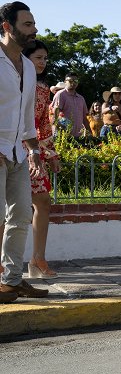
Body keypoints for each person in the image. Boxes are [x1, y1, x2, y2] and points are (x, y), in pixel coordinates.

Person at [0, 1, 49, 301]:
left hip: (18, 153)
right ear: (7, 27)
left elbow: (27, 116)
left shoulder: (28, 67)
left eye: (33, 24)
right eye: (27, 24)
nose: (34, 30)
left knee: (19, 219)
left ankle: (12, 280)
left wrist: (34, 153)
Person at [0, 39, 60, 278]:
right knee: (6, 211)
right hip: (7, 147)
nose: (43, 63)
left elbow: (43, 124)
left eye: (45, 59)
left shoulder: (43, 89)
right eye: (38, 58)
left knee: (42, 202)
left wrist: (49, 153)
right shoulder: (10, 79)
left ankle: (37, 260)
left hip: (31, 151)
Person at [51, 72, 91, 137]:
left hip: (78, 135)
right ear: (65, 82)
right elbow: (55, 115)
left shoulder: (81, 98)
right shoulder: (61, 94)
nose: (73, 83)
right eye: (70, 81)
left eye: (75, 81)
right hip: (63, 135)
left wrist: (89, 132)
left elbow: (84, 118)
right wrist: (57, 130)